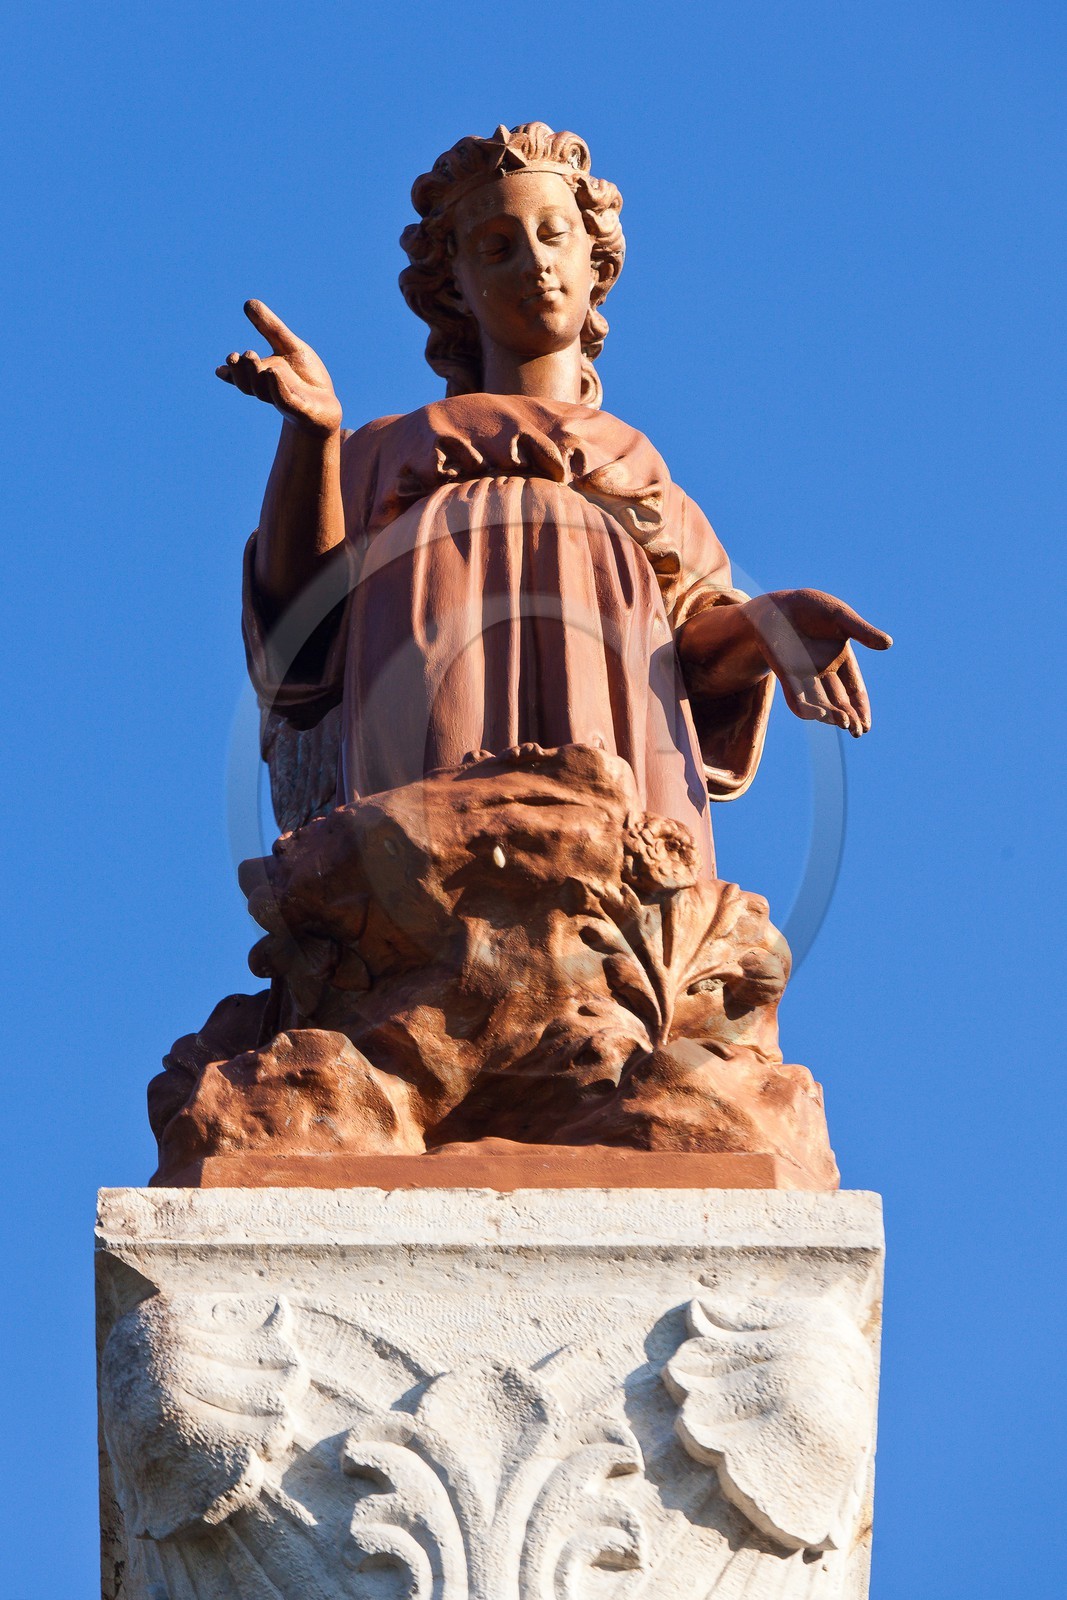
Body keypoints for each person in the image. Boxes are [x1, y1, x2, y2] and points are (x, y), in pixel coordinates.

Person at [218, 122, 889, 877]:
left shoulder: (654, 489)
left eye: (552, 234)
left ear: (594, 258)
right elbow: (298, 641)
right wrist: (312, 439)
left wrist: (768, 623)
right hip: (421, 794)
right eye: (496, 246)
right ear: (454, 286)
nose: (534, 262)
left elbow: (685, 665)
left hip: (614, 804)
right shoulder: (383, 453)